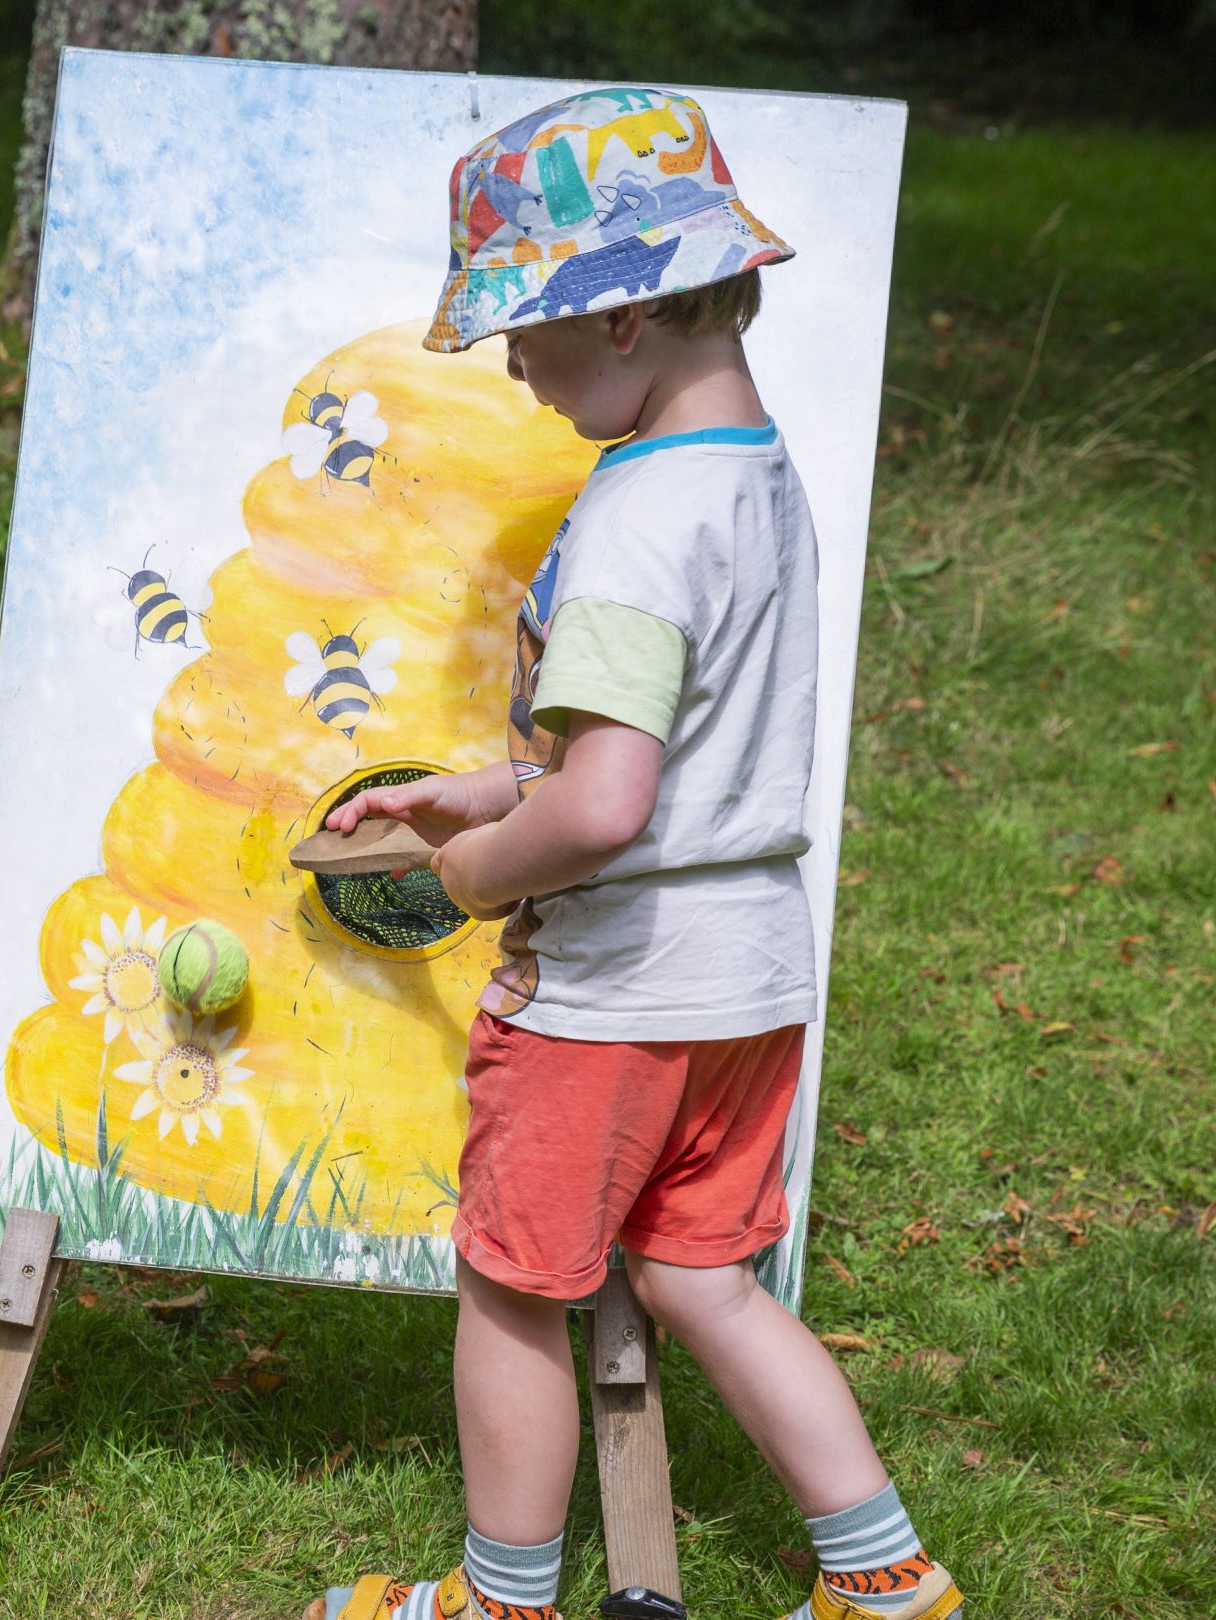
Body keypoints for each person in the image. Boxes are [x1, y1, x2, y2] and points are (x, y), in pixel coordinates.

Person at [311, 89, 964, 1620]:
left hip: (611, 998)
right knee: (699, 1277)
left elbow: (603, 809)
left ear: (628, 317)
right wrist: (486, 787)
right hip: (744, 978)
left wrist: (481, 875)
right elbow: (676, 743)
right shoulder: (754, 480)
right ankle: (887, 1580)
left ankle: (501, 1601)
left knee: (514, 1286)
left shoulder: (633, 521)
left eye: (524, 332)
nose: (516, 368)